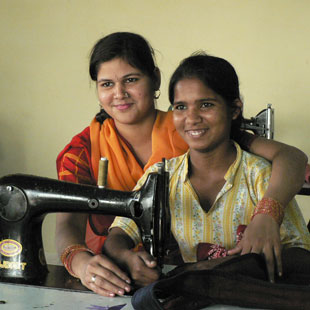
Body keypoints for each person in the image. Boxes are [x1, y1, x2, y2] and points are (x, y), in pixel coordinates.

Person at [55, 32, 308, 297]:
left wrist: (268, 213)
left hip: (191, 280)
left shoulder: (197, 133)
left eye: (131, 80)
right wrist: (81, 262)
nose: (119, 93)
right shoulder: (83, 151)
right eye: (106, 84)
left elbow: (290, 157)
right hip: (115, 275)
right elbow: (69, 222)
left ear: (155, 80)